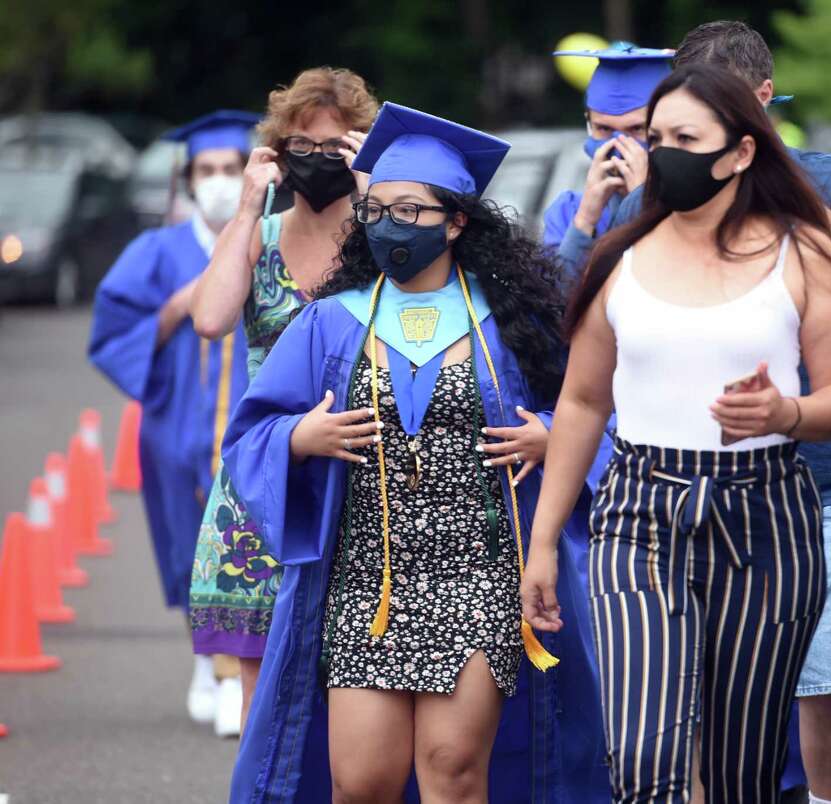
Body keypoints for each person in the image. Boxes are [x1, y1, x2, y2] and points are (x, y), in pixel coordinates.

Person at [222, 102, 610, 803]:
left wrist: (553, 435)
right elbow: (251, 433)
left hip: (480, 579)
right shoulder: (330, 323)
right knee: (361, 782)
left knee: (454, 776)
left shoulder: (513, 321)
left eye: (408, 211)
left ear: (456, 221)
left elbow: (594, 408)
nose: (386, 227)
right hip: (367, 583)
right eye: (373, 211)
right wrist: (299, 438)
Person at [522, 63, 831, 803]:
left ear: (741, 152)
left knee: (739, 770)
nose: (663, 152)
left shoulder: (804, 253)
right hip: (639, 513)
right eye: (657, 138)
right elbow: (583, 404)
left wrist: (787, 414)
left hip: (768, 518)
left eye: (686, 137)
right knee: (645, 754)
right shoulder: (618, 261)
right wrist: (544, 542)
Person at [608, 22, 831, 803]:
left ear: (763, 104)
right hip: (664, 486)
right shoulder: (658, 198)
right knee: (684, 688)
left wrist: (777, 182)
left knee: (827, 668)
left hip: (818, 480)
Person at [186, 67, 379, 737]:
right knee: (262, 691)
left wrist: (372, 191)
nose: (320, 162)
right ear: (276, 153)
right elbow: (210, 318)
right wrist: (246, 206)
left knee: (353, 689)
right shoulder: (259, 235)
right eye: (304, 148)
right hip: (264, 476)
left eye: (338, 148)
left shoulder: (386, 236)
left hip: (359, 472)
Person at [88, 110, 256, 723]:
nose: (217, 180)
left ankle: (237, 667)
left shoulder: (271, 240)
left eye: (229, 168)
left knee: (247, 546)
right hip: (175, 427)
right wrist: (177, 306)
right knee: (188, 546)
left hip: (246, 427)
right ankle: (204, 658)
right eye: (206, 170)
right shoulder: (157, 251)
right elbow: (112, 334)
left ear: (249, 175)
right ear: (187, 180)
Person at [543, 42, 671, 271]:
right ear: (588, 123)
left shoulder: (687, 209)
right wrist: (584, 221)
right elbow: (553, 300)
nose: (618, 146)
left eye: (636, 129)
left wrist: (642, 203)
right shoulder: (567, 211)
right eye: (603, 129)